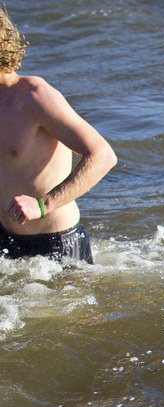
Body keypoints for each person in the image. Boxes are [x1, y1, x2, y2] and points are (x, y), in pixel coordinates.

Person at [0, 8, 117, 264]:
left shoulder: (34, 96)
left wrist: (43, 205)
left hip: (57, 244)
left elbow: (103, 155)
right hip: (4, 241)